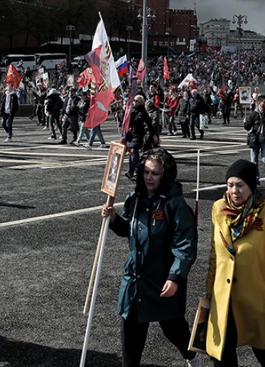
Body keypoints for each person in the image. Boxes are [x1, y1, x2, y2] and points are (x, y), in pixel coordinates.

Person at [101, 148, 201, 367]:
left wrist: (175, 277)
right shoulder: (134, 200)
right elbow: (128, 229)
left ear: (165, 175)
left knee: (173, 327)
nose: (149, 177)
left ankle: (192, 356)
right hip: (135, 279)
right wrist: (115, 218)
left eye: (154, 173)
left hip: (162, 278)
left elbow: (185, 245)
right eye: (146, 172)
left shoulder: (175, 205)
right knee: (130, 334)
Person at [204, 159, 265, 366]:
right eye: (230, 184)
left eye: (240, 185)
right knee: (222, 358)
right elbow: (215, 254)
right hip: (225, 299)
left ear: (251, 185)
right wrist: (210, 291)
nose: (234, 190)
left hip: (257, 298)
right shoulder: (218, 209)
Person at [244, 95, 265, 186]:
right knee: (254, 162)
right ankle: (256, 178)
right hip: (254, 140)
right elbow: (247, 128)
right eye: (264, 102)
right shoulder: (253, 114)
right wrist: (246, 123)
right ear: (259, 103)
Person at [124, 95, 155, 179]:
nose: (134, 102)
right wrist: (123, 112)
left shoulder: (143, 112)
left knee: (133, 151)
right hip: (130, 134)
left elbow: (149, 124)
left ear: (141, 102)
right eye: (134, 100)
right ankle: (134, 171)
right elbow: (125, 121)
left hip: (139, 135)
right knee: (131, 153)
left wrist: (153, 135)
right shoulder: (131, 110)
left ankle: (134, 171)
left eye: (136, 100)